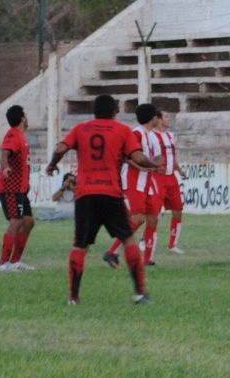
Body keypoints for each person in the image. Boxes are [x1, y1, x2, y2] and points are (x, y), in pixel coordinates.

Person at [46, 95, 160, 305]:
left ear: (94, 111)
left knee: (80, 245)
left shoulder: (81, 128)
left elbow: (61, 148)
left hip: (85, 195)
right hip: (110, 194)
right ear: (115, 111)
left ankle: (73, 297)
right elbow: (138, 158)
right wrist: (153, 164)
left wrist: (52, 165)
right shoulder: (123, 130)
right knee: (127, 239)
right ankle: (140, 293)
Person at [103, 103, 163, 268]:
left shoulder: (149, 135)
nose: (159, 119)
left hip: (148, 180)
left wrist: (155, 167)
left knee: (152, 219)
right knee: (137, 219)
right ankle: (111, 252)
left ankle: (147, 260)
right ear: (153, 118)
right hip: (135, 180)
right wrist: (146, 166)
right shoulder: (136, 133)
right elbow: (126, 156)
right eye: (157, 116)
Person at [0, 105, 35, 272]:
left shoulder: (21, 137)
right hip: (10, 188)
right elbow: (5, 152)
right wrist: (5, 167)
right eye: (25, 114)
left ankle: (15, 261)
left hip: (20, 189)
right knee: (16, 221)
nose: (27, 117)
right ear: (22, 118)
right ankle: (3, 264)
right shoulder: (13, 134)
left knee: (28, 222)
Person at [150, 110, 188, 254]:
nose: (169, 118)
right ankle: (144, 240)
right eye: (166, 116)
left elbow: (173, 157)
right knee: (154, 213)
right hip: (158, 177)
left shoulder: (170, 136)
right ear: (158, 119)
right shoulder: (151, 136)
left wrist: (180, 170)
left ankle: (172, 245)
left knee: (178, 209)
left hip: (171, 177)